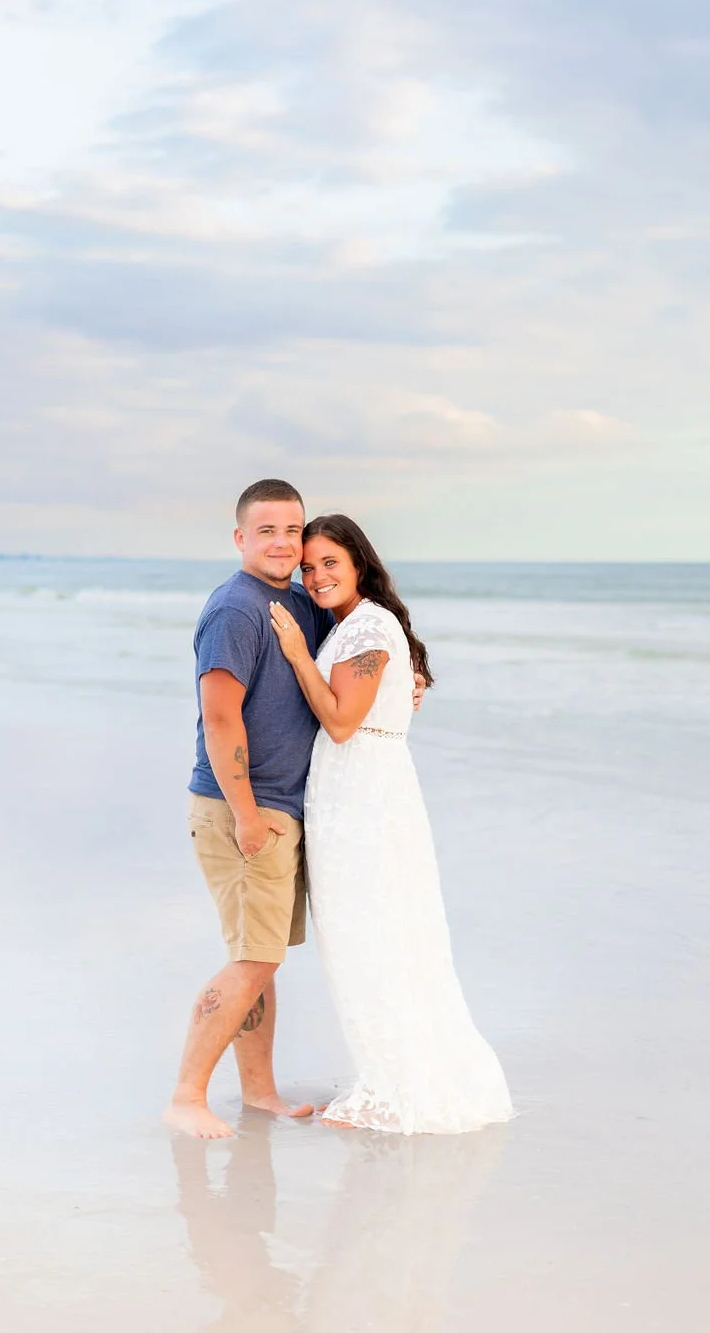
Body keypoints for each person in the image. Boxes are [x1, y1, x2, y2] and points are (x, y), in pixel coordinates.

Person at [163, 480, 424, 1140]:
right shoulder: (236, 609)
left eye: (292, 531)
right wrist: (247, 813)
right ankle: (188, 1095)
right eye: (267, 530)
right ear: (240, 537)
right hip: (242, 810)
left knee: (261, 953)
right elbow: (220, 721)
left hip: (286, 809)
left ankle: (258, 1093)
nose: (283, 544)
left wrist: (404, 681)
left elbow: (345, 665)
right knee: (253, 958)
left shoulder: (298, 603)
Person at [269, 514, 514, 1134]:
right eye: (308, 567)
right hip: (356, 789)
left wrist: (298, 653)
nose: (318, 577)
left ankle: (396, 1088)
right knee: (367, 932)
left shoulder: (370, 626)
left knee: (369, 933)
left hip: (363, 795)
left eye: (330, 563)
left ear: (358, 562)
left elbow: (342, 721)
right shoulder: (357, 624)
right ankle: (389, 1074)